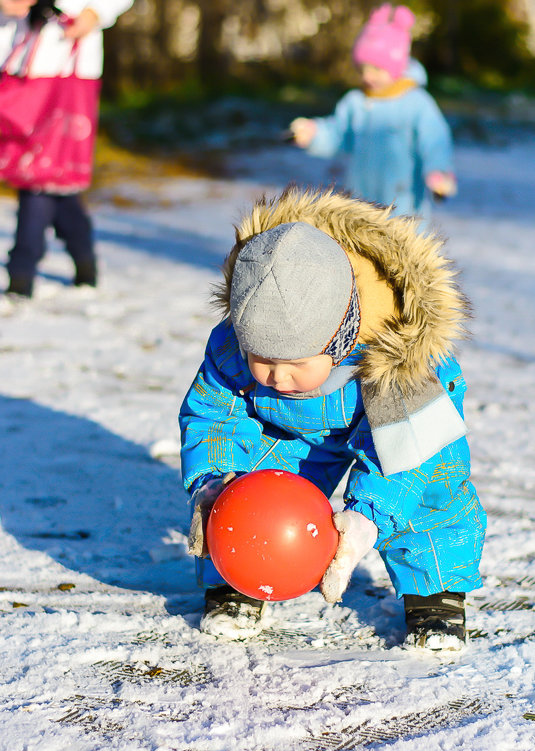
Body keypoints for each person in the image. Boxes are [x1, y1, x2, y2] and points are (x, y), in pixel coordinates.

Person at [179, 185, 487, 651]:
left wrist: (367, 518)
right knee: (249, 489)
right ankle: (239, 574)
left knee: (432, 494)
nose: (277, 376)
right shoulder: (233, 345)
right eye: (261, 358)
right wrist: (212, 480)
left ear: (340, 336)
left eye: (297, 361)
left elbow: (411, 456)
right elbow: (213, 416)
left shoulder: (401, 358)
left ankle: (434, 594)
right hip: (287, 430)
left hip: (393, 431)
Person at [0, 0, 133, 298]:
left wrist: (95, 12)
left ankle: (21, 271)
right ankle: (83, 258)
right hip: (19, 71)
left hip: (67, 75)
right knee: (55, 184)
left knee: (39, 178)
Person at [290, 4, 456, 219]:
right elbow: (338, 133)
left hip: (403, 208)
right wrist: (314, 134)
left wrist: (439, 172)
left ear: (397, 66)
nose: (368, 76)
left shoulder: (417, 103)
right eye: (362, 69)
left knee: (398, 250)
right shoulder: (356, 102)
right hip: (360, 203)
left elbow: (435, 141)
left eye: (376, 68)